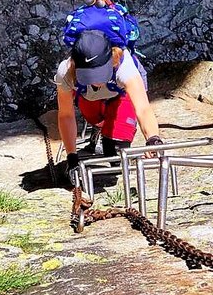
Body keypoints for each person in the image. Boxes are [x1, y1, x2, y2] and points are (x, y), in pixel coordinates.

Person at [55, 28, 163, 183]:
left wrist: (153, 139)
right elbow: (66, 115)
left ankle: (111, 136)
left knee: (115, 153)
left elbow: (143, 108)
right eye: (89, 75)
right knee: (94, 117)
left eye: (100, 73)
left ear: (112, 59)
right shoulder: (65, 71)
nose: (96, 80)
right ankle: (99, 127)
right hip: (89, 96)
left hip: (121, 93)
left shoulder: (125, 68)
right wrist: (72, 157)